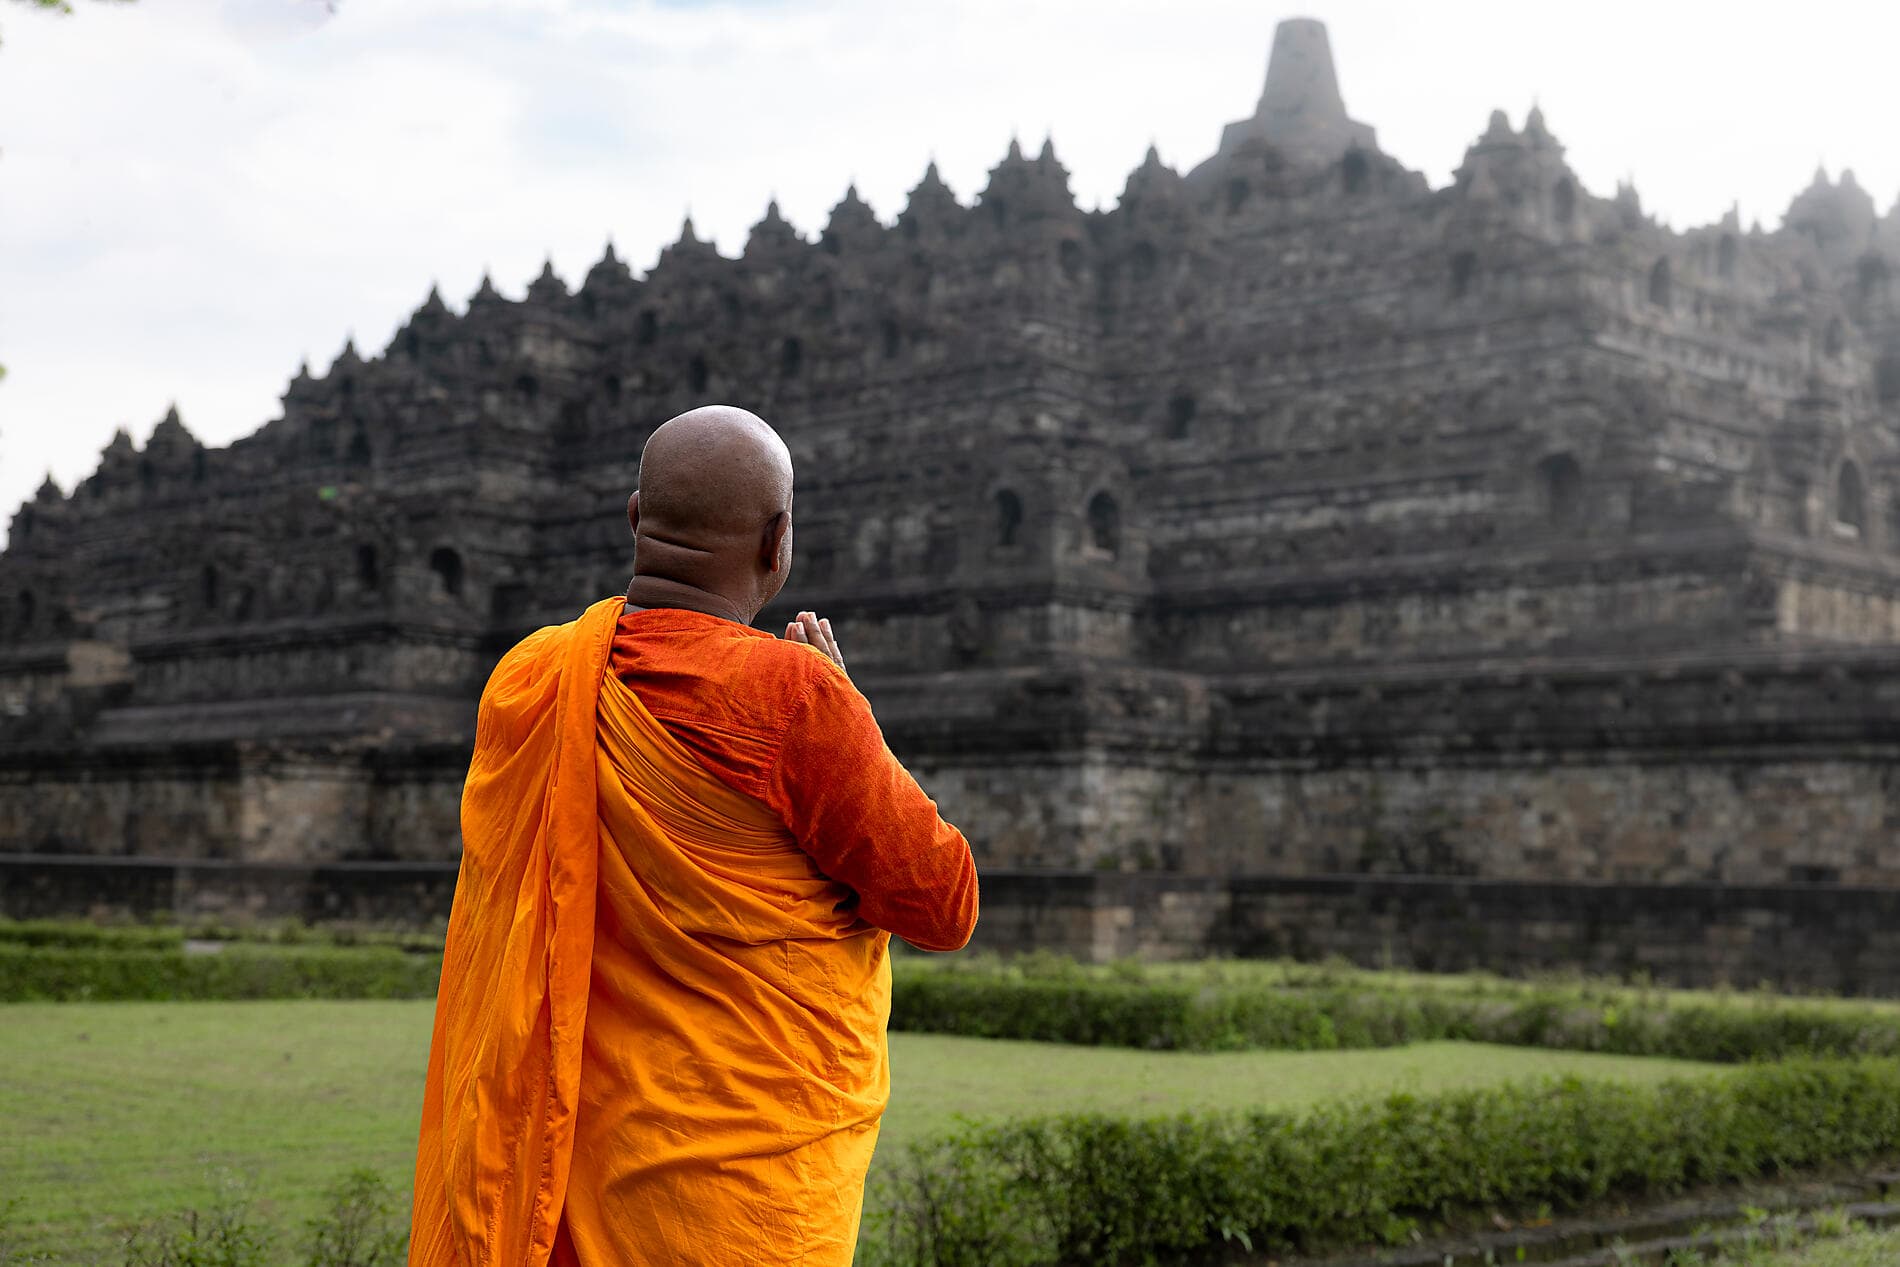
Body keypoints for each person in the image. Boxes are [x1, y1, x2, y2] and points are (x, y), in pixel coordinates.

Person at [408, 405, 980, 1267]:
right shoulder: (795, 697)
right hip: (728, 1205)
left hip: (550, 1173)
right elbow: (943, 902)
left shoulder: (527, 677)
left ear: (636, 516)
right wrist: (850, 712)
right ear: (777, 541)